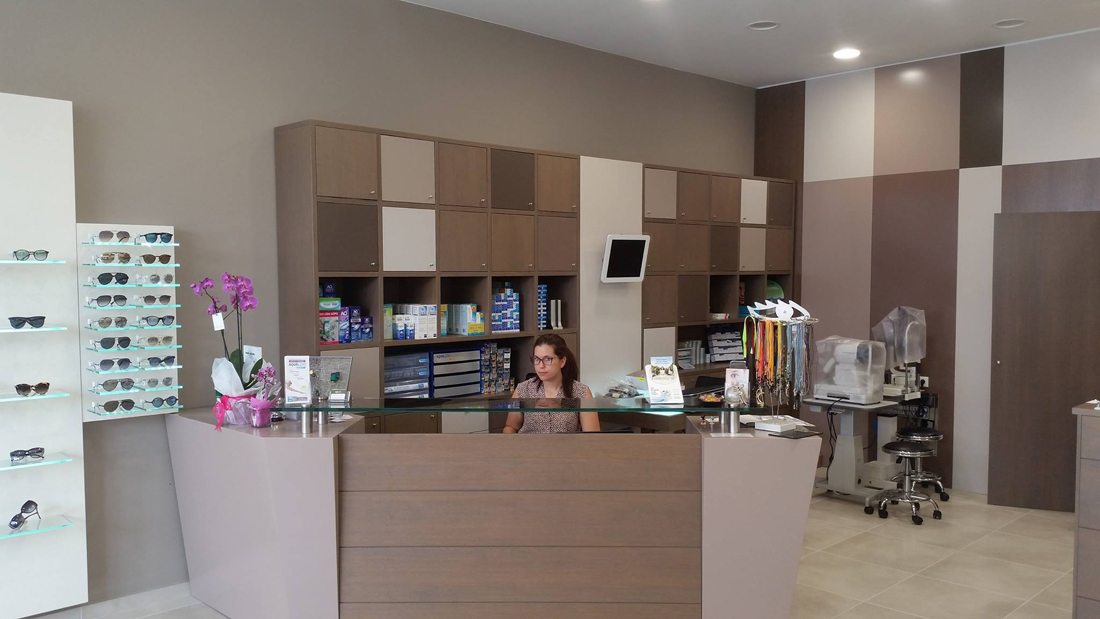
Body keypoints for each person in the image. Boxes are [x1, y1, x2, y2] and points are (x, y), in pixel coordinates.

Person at [504, 334, 599, 433]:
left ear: (562, 361)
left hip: (566, 443)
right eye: (537, 359)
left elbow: (592, 436)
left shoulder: (581, 392)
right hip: (529, 443)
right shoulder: (523, 389)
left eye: (547, 359)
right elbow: (510, 427)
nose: (541, 365)